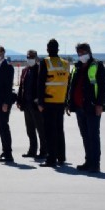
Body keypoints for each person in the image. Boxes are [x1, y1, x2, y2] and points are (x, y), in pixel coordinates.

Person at [67, 43, 105, 173]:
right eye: (79, 53)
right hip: (79, 107)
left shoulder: (97, 65)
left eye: (82, 52)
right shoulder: (77, 67)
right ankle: (88, 161)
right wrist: (69, 103)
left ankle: (95, 164)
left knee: (93, 136)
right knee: (85, 136)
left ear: (89, 52)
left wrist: (100, 104)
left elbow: (103, 87)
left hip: (92, 107)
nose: (81, 55)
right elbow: (71, 86)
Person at [37, 38, 69, 168]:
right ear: (58, 49)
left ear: (47, 49)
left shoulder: (45, 62)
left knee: (49, 131)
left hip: (49, 101)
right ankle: (61, 157)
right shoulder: (65, 63)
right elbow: (67, 83)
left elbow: (40, 83)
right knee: (59, 130)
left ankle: (51, 159)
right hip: (61, 101)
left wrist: (40, 102)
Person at [16, 49, 46, 159]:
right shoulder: (25, 71)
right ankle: (32, 150)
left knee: (41, 129)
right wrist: (19, 100)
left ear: (36, 58)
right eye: (28, 57)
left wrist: (40, 101)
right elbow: (21, 87)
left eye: (32, 57)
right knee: (30, 129)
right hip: (26, 104)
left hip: (36, 105)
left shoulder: (40, 70)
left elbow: (42, 87)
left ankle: (44, 151)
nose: (30, 59)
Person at [0, 45, 15, 163]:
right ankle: (5, 151)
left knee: (4, 127)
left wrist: (6, 102)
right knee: (0, 127)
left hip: (3, 103)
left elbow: (8, 87)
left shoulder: (7, 66)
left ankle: (8, 154)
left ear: (2, 52)